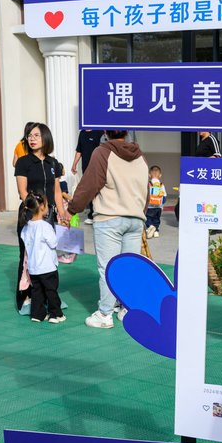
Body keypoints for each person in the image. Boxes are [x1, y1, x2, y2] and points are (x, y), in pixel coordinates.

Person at [67, 129, 148, 329]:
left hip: (109, 218)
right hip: (135, 219)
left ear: (105, 132)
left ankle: (105, 313)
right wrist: (141, 213)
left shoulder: (102, 152)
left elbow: (89, 185)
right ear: (126, 132)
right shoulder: (140, 157)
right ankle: (127, 308)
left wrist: (72, 209)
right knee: (128, 267)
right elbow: (145, 190)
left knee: (108, 268)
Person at [14, 123, 68, 312]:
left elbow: (56, 190)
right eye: (29, 135)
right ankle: (26, 296)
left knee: (48, 254)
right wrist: (35, 212)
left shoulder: (53, 163)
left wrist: (62, 213)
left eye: (36, 135)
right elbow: (22, 191)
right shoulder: (23, 162)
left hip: (49, 214)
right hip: (30, 214)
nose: (32, 138)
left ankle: (49, 296)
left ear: (45, 137)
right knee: (28, 255)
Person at [19, 191, 65, 323]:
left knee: (37, 290)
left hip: (33, 267)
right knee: (51, 290)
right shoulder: (45, 226)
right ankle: (56, 314)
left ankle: (37, 314)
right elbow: (53, 243)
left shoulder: (26, 227)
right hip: (47, 266)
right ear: (42, 207)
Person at [71, 128, 104, 224]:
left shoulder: (99, 132)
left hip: (97, 167)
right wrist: (74, 164)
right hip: (85, 167)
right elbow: (79, 150)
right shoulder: (82, 133)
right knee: (89, 189)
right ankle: (92, 214)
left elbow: (103, 149)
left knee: (99, 190)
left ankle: (100, 214)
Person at [145, 164, 166, 239]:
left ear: (149, 175)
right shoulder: (161, 185)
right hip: (158, 206)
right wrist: (161, 204)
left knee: (148, 218)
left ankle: (150, 226)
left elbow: (145, 195)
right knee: (156, 219)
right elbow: (164, 197)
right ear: (160, 175)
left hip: (149, 206)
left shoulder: (148, 184)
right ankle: (156, 231)